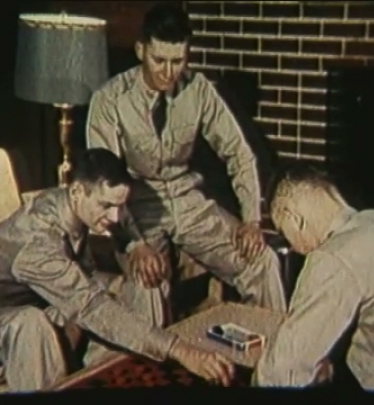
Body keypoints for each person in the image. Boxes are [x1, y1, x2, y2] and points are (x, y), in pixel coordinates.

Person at [0, 148, 234, 392]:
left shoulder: (69, 207)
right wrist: (179, 349)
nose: (115, 217)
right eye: (107, 205)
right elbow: (89, 305)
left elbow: (84, 280)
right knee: (29, 324)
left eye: (120, 206)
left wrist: (126, 280)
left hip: (10, 307)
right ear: (78, 191)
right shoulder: (37, 240)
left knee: (139, 287)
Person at [85, 4, 286, 313]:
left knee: (262, 261)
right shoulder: (109, 99)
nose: (168, 72)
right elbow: (106, 182)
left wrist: (251, 220)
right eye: (159, 60)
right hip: (137, 205)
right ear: (141, 50)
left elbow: (239, 153)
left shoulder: (199, 90)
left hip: (189, 200)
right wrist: (134, 243)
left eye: (177, 61)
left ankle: (274, 343)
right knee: (150, 286)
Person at [252, 162, 374, 396]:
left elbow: (279, 373)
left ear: (293, 218)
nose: (294, 248)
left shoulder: (334, 257)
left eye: (285, 235)